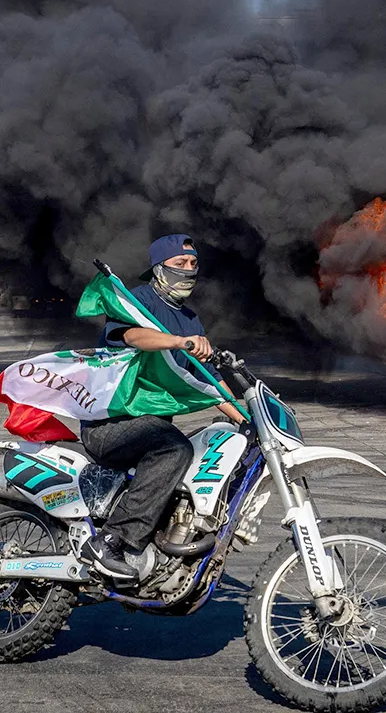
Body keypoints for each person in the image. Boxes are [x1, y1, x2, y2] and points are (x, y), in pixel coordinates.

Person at [78, 234, 247, 580]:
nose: (188, 270)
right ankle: (112, 539)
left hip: (148, 429)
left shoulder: (189, 318)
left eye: (193, 264)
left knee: (212, 445)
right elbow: (131, 336)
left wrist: (247, 420)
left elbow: (209, 382)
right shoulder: (138, 301)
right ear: (159, 268)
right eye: (179, 263)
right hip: (111, 425)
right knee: (174, 448)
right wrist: (177, 342)